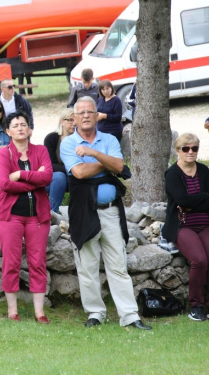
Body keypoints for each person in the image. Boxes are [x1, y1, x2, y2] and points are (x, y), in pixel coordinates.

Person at [60, 96, 151, 330]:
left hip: (111, 212)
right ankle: (95, 313)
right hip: (84, 211)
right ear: (75, 118)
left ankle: (130, 316)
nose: (86, 116)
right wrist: (107, 163)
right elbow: (79, 173)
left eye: (90, 111)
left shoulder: (109, 139)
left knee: (118, 265)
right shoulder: (68, 143)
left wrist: (94, 154)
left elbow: (120, 168)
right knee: (87, 266)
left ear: (97, 114)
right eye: (81, 113)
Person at [0, 111, 53, 323]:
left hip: (37, 217)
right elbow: (4, 183)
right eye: (15, 125)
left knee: (38, 263)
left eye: (24, 124)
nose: (20, 128)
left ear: (29, 129)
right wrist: (35, 180)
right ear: (8, 131)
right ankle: (12, 311)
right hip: (10, 218)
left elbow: (47, 177)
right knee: (11, 263)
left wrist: (20, 174)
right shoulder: (4, 154)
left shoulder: (41, 150)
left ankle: (39, 312)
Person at [162, 133, 209, 321]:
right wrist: (203, 196)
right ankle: (195, 305)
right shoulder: (172, 173)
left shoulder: (203, 170)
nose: (190, 152)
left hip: (204, 223)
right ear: (177, 151)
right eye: (186, 148)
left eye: (194, 148)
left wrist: (192, 204)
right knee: (199, 260)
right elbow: (181, 199)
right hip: (182, 225)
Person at [44, 108, 76, 212]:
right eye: (70, 120)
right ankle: (52, 212)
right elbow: (50, 165)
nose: (74, 123)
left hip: (75, 177)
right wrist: (71, 170)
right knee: (59, 176)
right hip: (55, 179)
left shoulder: (79, 139)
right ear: (61, 121)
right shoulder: (51, 138)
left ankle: (79, 214)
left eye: (76, 120)